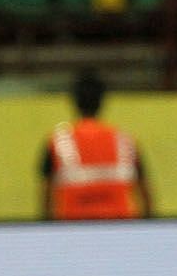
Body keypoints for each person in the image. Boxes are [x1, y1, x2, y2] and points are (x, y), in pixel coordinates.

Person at [40, 69, 153, 220]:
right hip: (122, 230)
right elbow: (146, 194)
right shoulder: (125, 141)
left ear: (75, 102)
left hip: (72, 230)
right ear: (102, 102)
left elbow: (46, 197)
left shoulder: (58, 142)